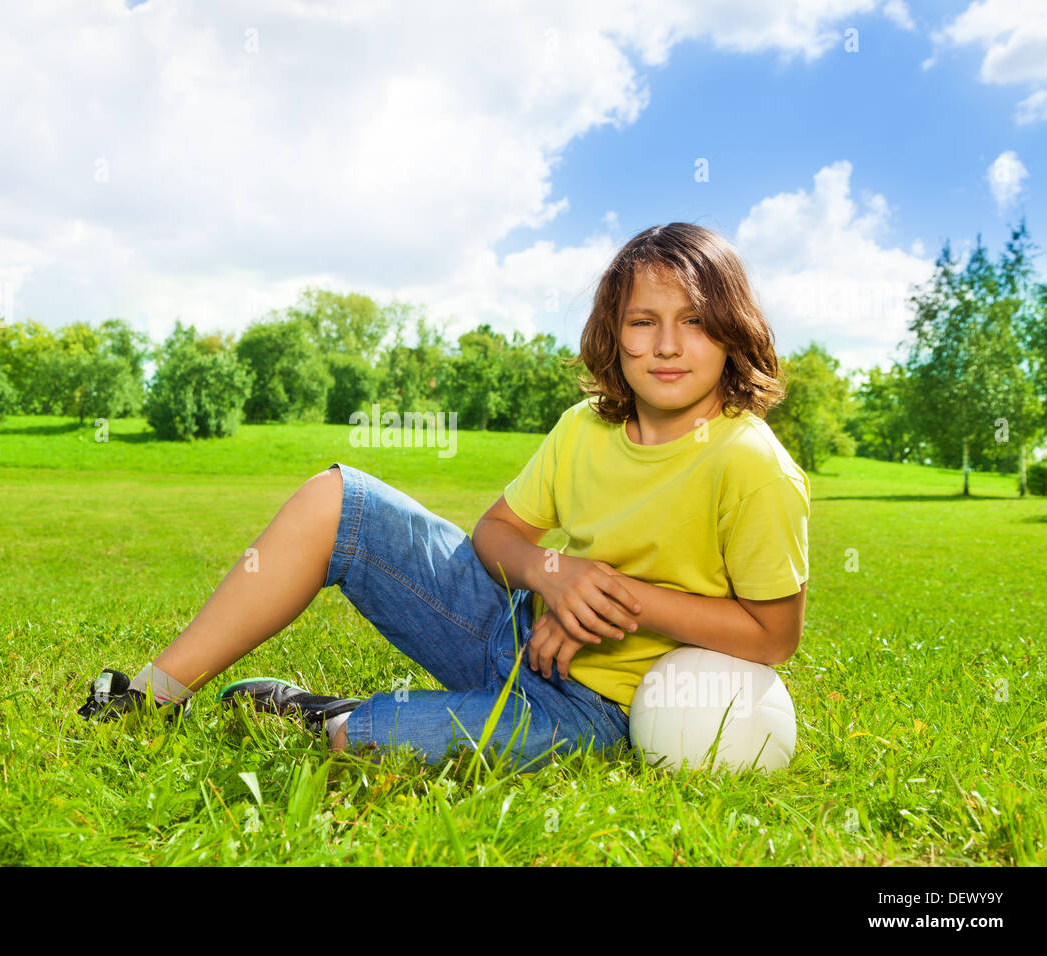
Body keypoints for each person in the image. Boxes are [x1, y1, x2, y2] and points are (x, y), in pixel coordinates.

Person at [77, 222, 811, 772]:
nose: (666, 345)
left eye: (692, 321)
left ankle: (321, 712)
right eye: (642, 322)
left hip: (601, 711)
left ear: (730, 330)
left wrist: (620, 602)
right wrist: (553, 575)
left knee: (358, 744)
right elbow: (495, 534)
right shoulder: (585, 428)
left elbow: (773, 636)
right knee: (337, 498)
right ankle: (148, 697)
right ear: (612, 337)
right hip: (513, 630)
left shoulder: (750, 464)